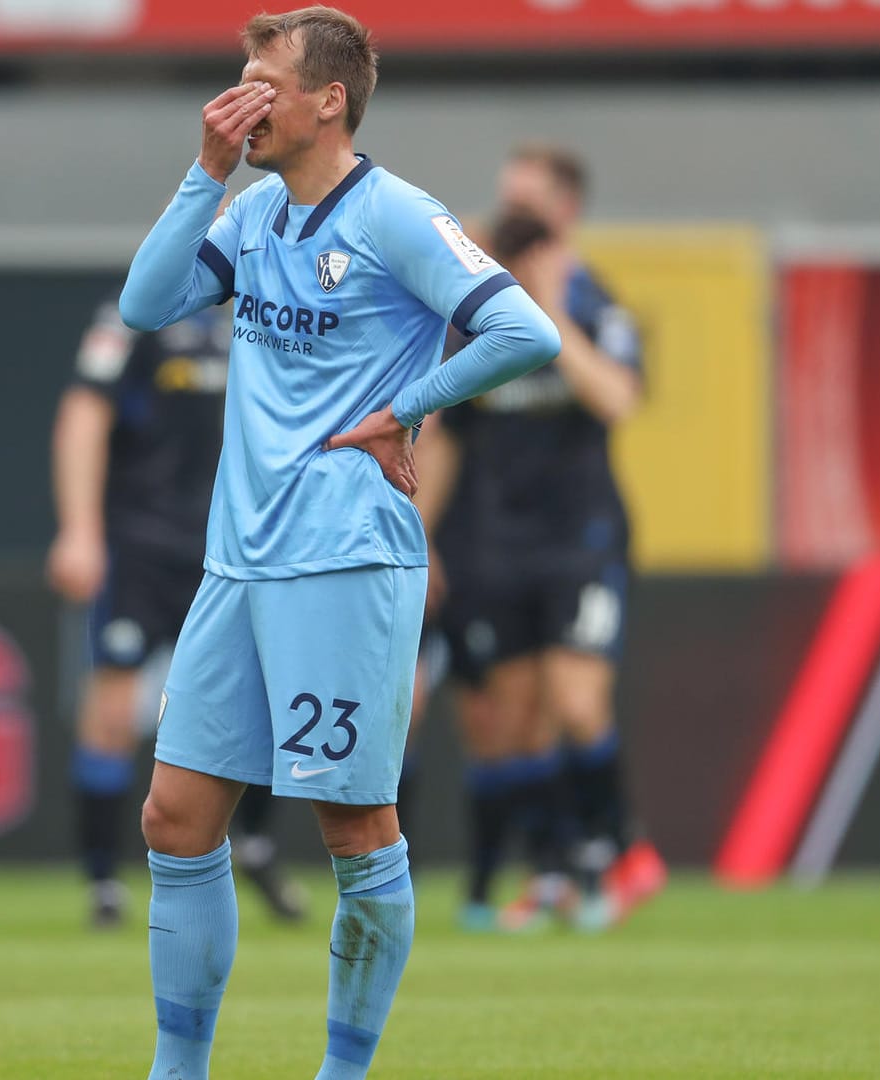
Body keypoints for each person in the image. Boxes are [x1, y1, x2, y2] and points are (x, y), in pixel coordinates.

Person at [117, 9, 558, 1079]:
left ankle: (344, 1073)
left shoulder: (397, 215)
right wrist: (203, 174)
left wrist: (409, 402)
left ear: (329, 100)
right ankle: (179, 1072)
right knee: (176, 819)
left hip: (346, 558)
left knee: (354, 828)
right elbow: (145, 304)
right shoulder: (258, 209)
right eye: (240, 76)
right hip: (240, 561)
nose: (243, 96)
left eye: (262, 78)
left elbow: (524, 330)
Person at [424, 148, 667, 934]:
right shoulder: (475, 317)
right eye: (504, 206)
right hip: (499, 543)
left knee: (577, 698)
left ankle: (625, 849)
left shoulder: (596, 304)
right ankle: (560, 870)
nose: (509, 221)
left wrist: (553, 316)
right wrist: (418, 537)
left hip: (580, 537)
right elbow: (445, 435)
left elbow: (619, 399)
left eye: (526, 206)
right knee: (519, 721)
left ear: (566, 213)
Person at [47, 297, 306, 929]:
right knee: (111, 706)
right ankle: (104, 878)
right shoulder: (139, 310)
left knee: (265, 703)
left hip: (241, 544)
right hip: (143, 544)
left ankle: (253, 844)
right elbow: (84, 411)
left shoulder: (282, 308)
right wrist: (79, 531)